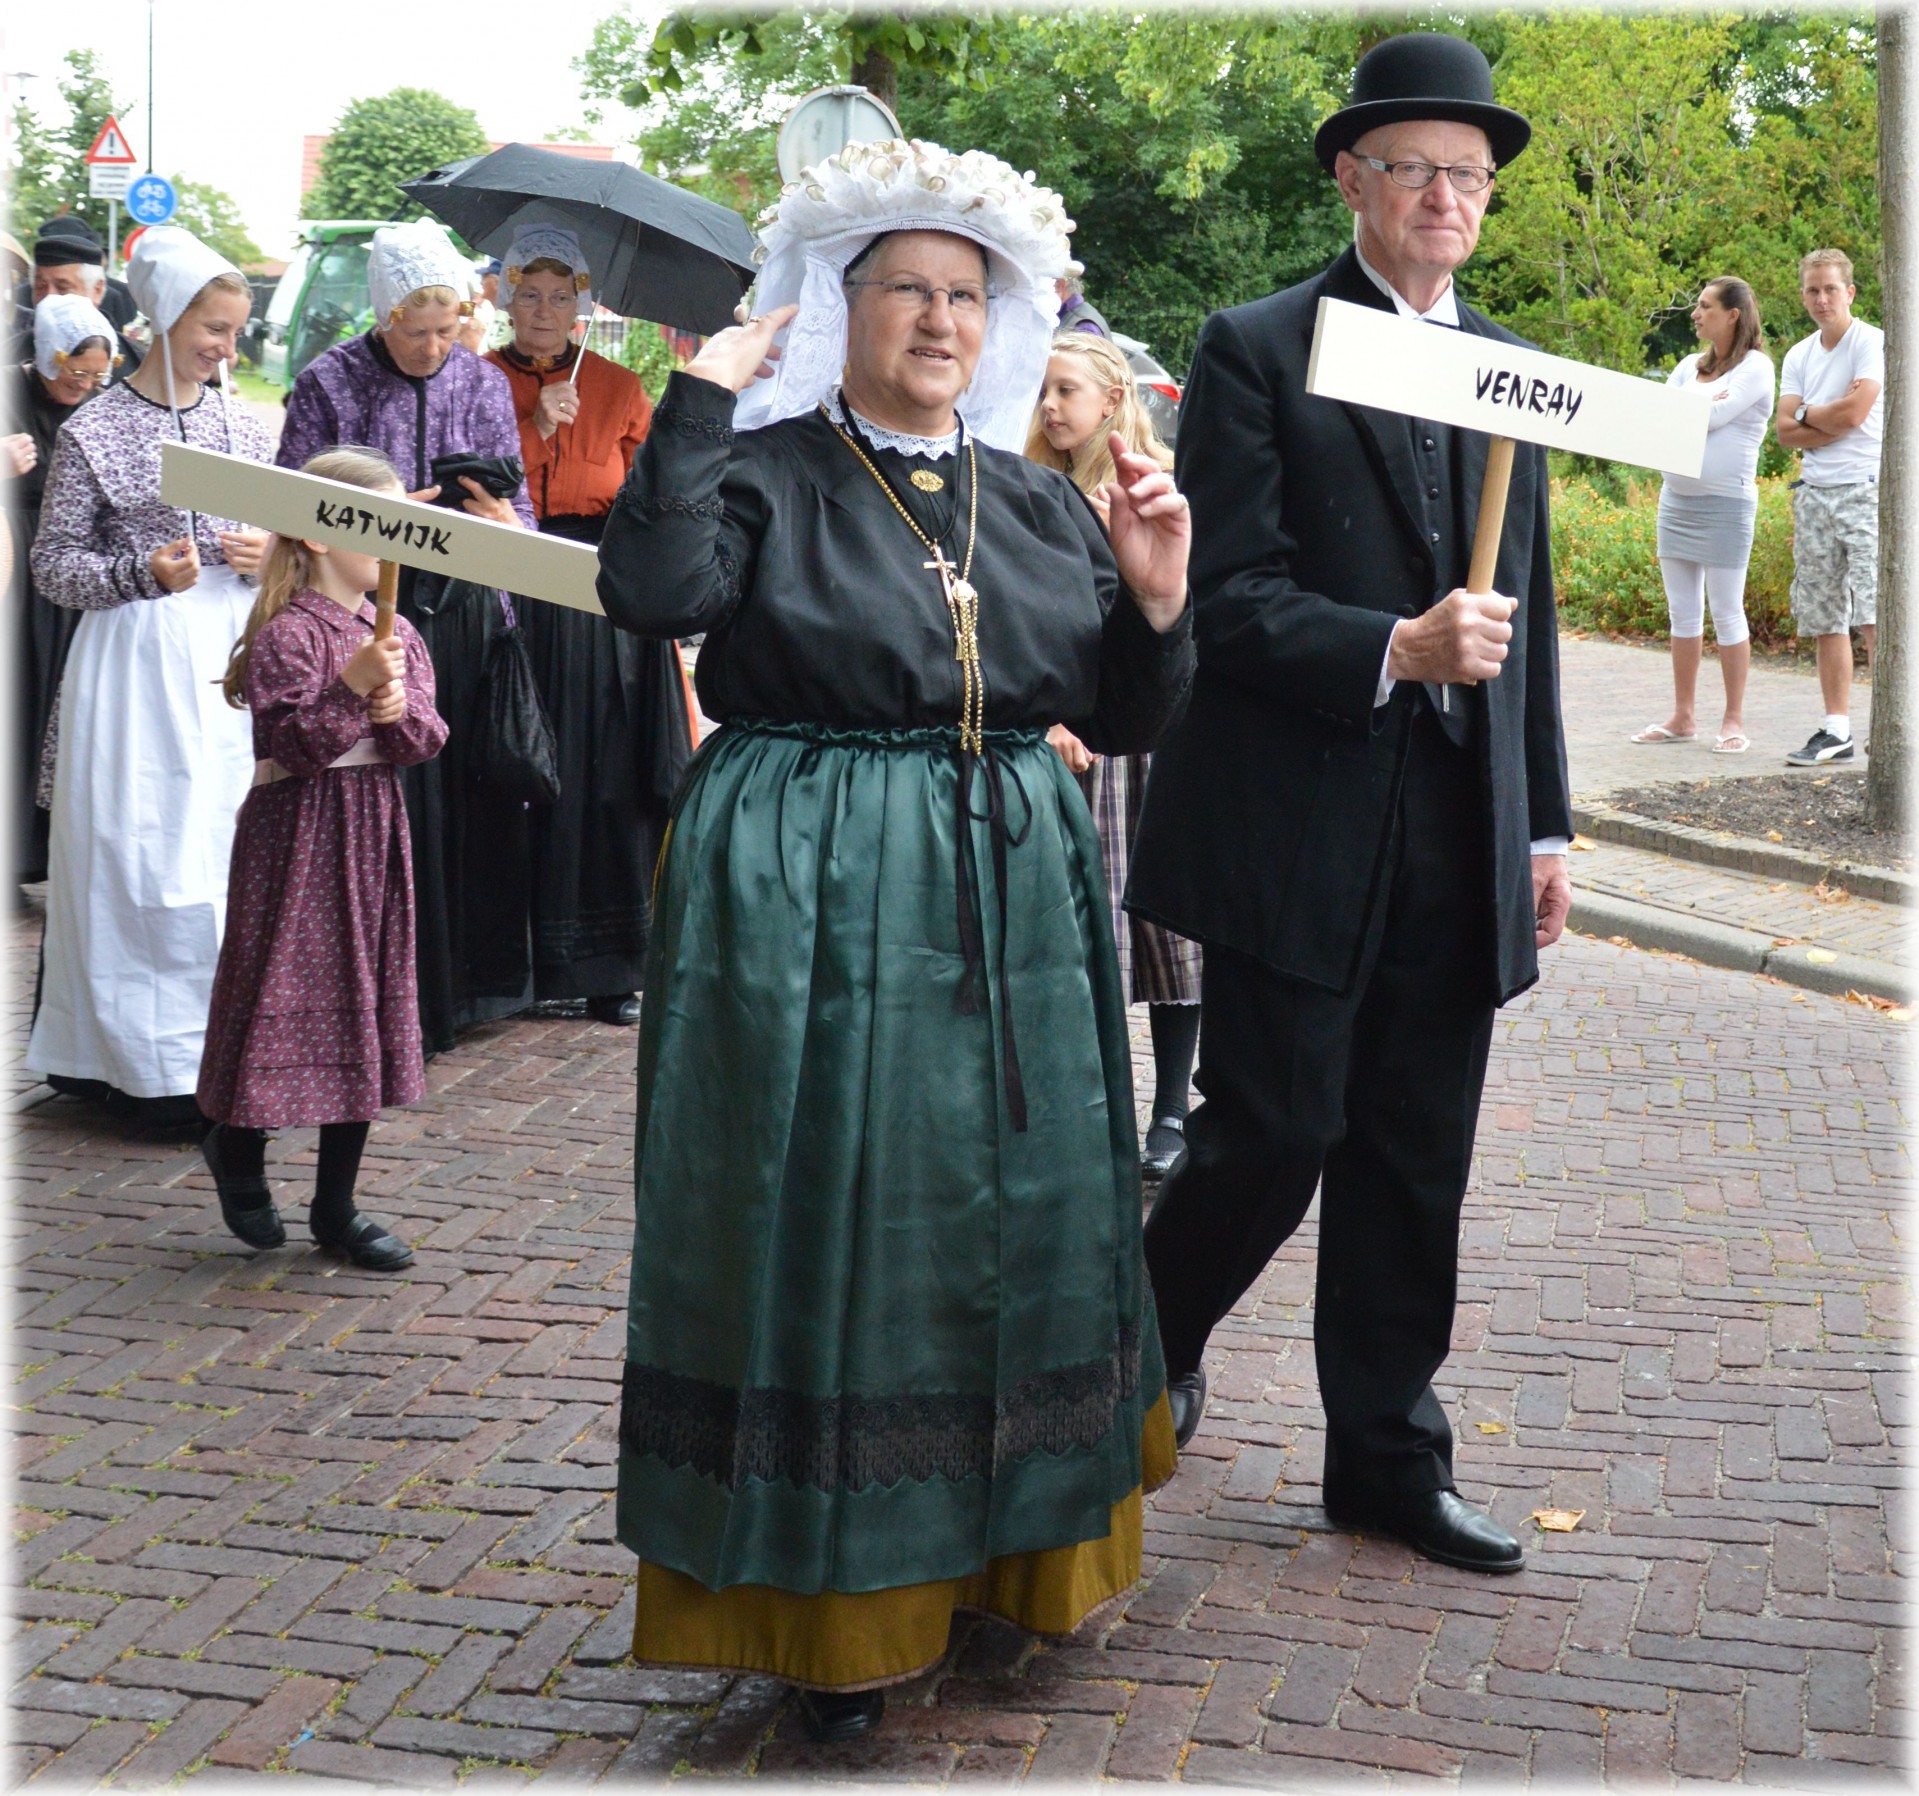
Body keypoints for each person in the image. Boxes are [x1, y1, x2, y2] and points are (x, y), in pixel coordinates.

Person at [595, 139, 1194, 1740]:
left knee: (1014, 1210)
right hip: (817, 883)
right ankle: (830, 1609)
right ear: (836, 303)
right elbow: (651, 591)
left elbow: (1116, 712)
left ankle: (1004, 1562)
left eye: (961, 294)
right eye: (903, 291)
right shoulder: (768, 468)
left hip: (1011, 885)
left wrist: (1151, 600)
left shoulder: (1033, 497)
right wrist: (706, 393)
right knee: (840, 1215)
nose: (937, 319)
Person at [1128, 34, 1573, 1576]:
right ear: (1350, 178)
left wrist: (1542, 824)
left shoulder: (1510, 366)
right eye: (1415, 168)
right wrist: (1388, 644)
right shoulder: (1257, 346)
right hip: (1301, 823)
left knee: (1410, 1152)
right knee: (1271, 1129)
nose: (1447, 196)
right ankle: (1135, 1353)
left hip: (1460, 830)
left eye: (1469, 174)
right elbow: (1226, 605)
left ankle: (1384, 1460)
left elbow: (1532, 619)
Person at [25, 226, 272, 1127]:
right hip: (131, 663)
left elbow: (285, 545)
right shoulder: (96, 427)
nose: (226, 347)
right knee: (133, 852)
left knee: (218, 846)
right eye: (213, 327)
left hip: (224, 657)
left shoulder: (245, 424)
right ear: (164, 317)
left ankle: (214, 1056)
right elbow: (52, 566)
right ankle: (132, 1062)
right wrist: (140, 574)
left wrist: (264, 552)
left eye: (236, 331)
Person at [278, 219, 536, 1056]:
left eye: (448, 327)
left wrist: (502, 519)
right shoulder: (330, 381)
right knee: (392, 806)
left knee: (464, 801)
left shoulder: (481, 381)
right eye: (414, 331)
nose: (433, 348)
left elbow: (519, 510)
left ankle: (459, 991)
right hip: (366, 612)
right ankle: (389, 1000)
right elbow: (293, 503)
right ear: (382, 318)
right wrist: (389, 520)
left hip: (462, 616)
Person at [197, 447, 448, 1272]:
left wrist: (395, 701)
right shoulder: (289, 632)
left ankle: (335, 1207)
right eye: (382, 528)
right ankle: (237, 1147)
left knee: (364, 996)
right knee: (282, 982)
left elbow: (420, 743)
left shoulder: (400, 628)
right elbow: (291, 745)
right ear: (325, 531)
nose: (395, 548)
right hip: (300, 836)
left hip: (371, 833)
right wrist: (350, 686)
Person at [486, 228, 692, 1026]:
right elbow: (469, 476)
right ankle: (511, 962)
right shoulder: (479, 378)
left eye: (559, 296)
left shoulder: (616, 386)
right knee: (513, 764)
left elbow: (646, 491)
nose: (544, 310)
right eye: (529, 294)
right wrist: (534, 429)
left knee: (605, 775)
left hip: (597, 594)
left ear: (582, 305)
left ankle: (611, 967)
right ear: (507, 297)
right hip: (509, 582)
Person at [1026, 330, 1202, 1179]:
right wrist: (1045, 718)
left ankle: (1171, 1110)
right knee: (1073, 935)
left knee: (1167, 936)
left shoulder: (1149, 487)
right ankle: (1085, 1110)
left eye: (1065, 391)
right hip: (1057, 751)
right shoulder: (1014, 489)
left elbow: (1177, 616)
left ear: (1109, 401)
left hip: (1143, 749)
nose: (1049, 407)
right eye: (1039, 392)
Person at [1632, 278, 1773, 755]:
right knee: (1683, 612)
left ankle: (1733, 720)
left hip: (1727, 506)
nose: (1695, 313)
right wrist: (1696, 405)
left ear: (1733, 314)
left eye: (1704, 306)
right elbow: (1656, 416)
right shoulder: (1688, 366)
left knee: (1728, 612)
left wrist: (1691, 409)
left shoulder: (1756, 368)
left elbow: (1706, 420)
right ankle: (1683, 716)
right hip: (1677, 502)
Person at [7, 295, 120, 886]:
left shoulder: (98, 409)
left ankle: (48, 850)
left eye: (97, 375)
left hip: (70, 575)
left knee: (60, 704)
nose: (85, 385)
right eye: (76, 373)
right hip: (9, 570)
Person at [1775, 249, 1884, 766]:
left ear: (1850, 292)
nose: (1822, 299)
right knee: (1825, 616)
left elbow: (1857, 414)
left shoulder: (1871, 343)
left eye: (1831, 289)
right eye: (1812, 290)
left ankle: (1889, 725)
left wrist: (1807, 415)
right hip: (1814, 495)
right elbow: (1783, 432)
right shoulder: (1799, 355)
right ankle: (1836, 729)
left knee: (1875, 612)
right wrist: (1824, 416)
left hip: (1864, 489)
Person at [32, 217, 142, 370]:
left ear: (97, 290)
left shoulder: (133, 363)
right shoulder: (11, 351)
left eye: (63, 288)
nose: (49, 298)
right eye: (40, 287)